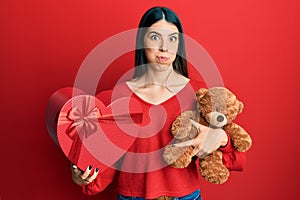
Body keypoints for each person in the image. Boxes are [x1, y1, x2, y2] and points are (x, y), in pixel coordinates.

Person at [71, 6, 247, 200]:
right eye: (155, 37)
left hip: (186, 197)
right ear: (141, 41)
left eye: (172, 38)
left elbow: (237, 158)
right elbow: (107, 162)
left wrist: (221, 138)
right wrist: (85, 176)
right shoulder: (117, 96)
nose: (164, 47)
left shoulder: (199, 94)